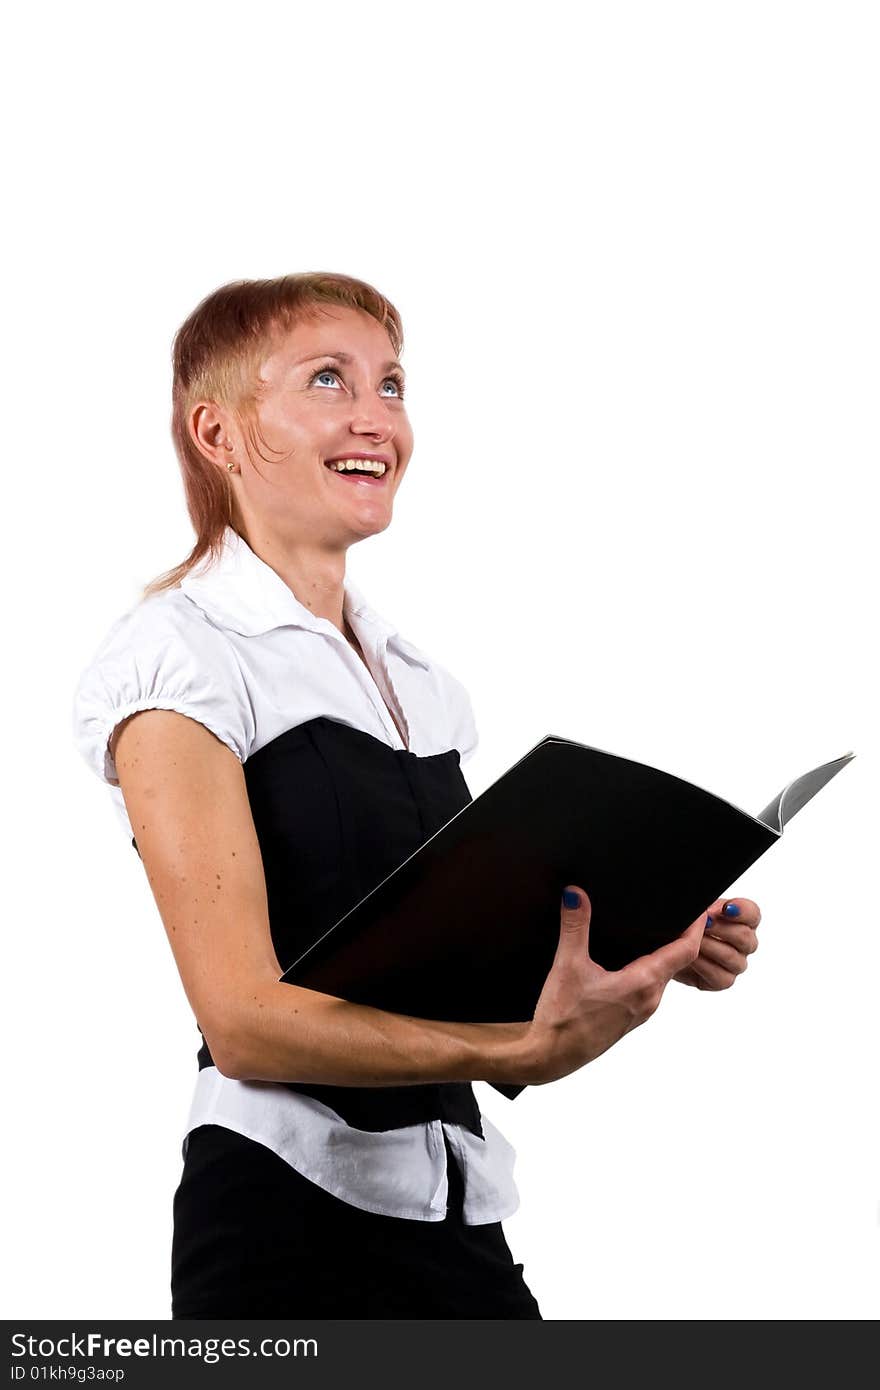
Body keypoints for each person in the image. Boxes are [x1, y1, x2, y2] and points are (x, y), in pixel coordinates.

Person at [71, 272, 761, 1319]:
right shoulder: (177, 656)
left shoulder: (422, 682)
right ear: (218, 432)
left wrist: (644, 941)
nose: (374, 417)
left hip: (455, 1213)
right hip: (281, 1226)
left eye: (391, 385)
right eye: (327, 380)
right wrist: (522, 1051)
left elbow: (459, 961)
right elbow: (245, 1019)